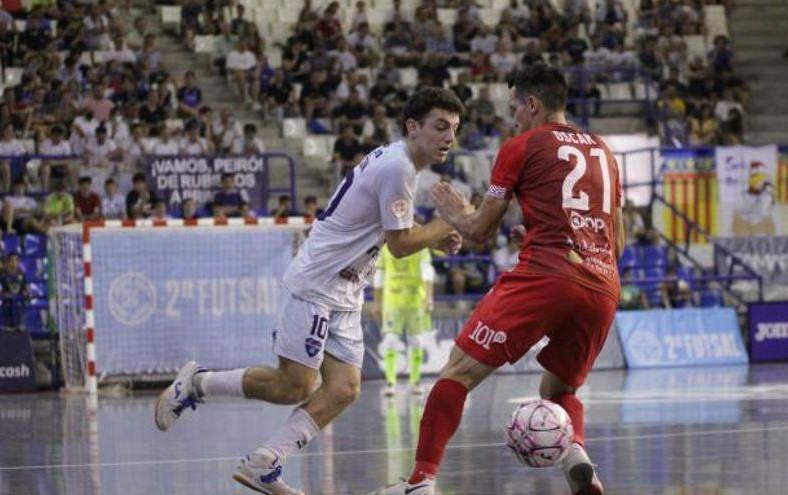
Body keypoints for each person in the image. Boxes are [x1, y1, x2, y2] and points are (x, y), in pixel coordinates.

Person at [154, 87, 467, 495]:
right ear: (413, 127)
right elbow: (401, 245)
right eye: (440, 126)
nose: (449, 137)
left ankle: (265, 461)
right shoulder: (398, 167)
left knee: (344, 388)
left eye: (455, 129)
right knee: (294, 386)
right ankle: (197, 383)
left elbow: (397, 236)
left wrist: (434, 235)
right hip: (318, 283)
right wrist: (453, 221)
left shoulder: (401, 164)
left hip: (347, 290)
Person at [373, 63, 623, 495]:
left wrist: (455, 214)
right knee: (558, 386)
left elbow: (479, 231)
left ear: (532, 103)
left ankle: (419, 483)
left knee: (457, 372)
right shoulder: (603, 150)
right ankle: (578, 458)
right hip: (602, 284)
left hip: (546, 274)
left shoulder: (521, 145)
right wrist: (541, 231)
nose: (513, 118)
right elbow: (616, 239)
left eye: (515, 108)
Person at [372, 244, 435, 396]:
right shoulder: (387, 248)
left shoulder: (421, 247)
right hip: (392, 302)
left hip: (415, 302)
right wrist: (377, 302)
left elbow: (427, 271)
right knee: (390, 340)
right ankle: (390, 382)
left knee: (416, 342)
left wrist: (428, 296)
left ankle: (415, 382)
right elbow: (379, 274)